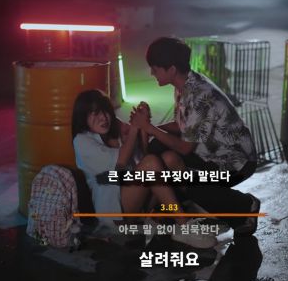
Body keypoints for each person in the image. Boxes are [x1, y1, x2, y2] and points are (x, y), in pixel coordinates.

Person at [131, 37, 261, 236]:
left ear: (171, 69)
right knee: (162, 153)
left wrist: (147, 127)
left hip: (236, 163)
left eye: (155, 69)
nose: (152, 73)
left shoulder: (199, 94)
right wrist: (148, 127)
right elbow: (181, 126)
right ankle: (169, 210)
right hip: (210, 155)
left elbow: (185, 148)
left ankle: (244, 205)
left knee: (187, 180)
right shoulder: (183, 86)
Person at [71, 89, 217, 248]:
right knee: (151, 164)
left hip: (137, 200)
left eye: (105, 111)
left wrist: (143, 124)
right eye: (95, 113)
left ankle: (176, 212)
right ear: (83, 117)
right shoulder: (82, 141)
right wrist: (135, 127)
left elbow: (145, 158)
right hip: (115, 211)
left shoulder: (114, 128)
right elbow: (120, 163)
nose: (103, 118)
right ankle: (184, 225)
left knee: (170, 159)